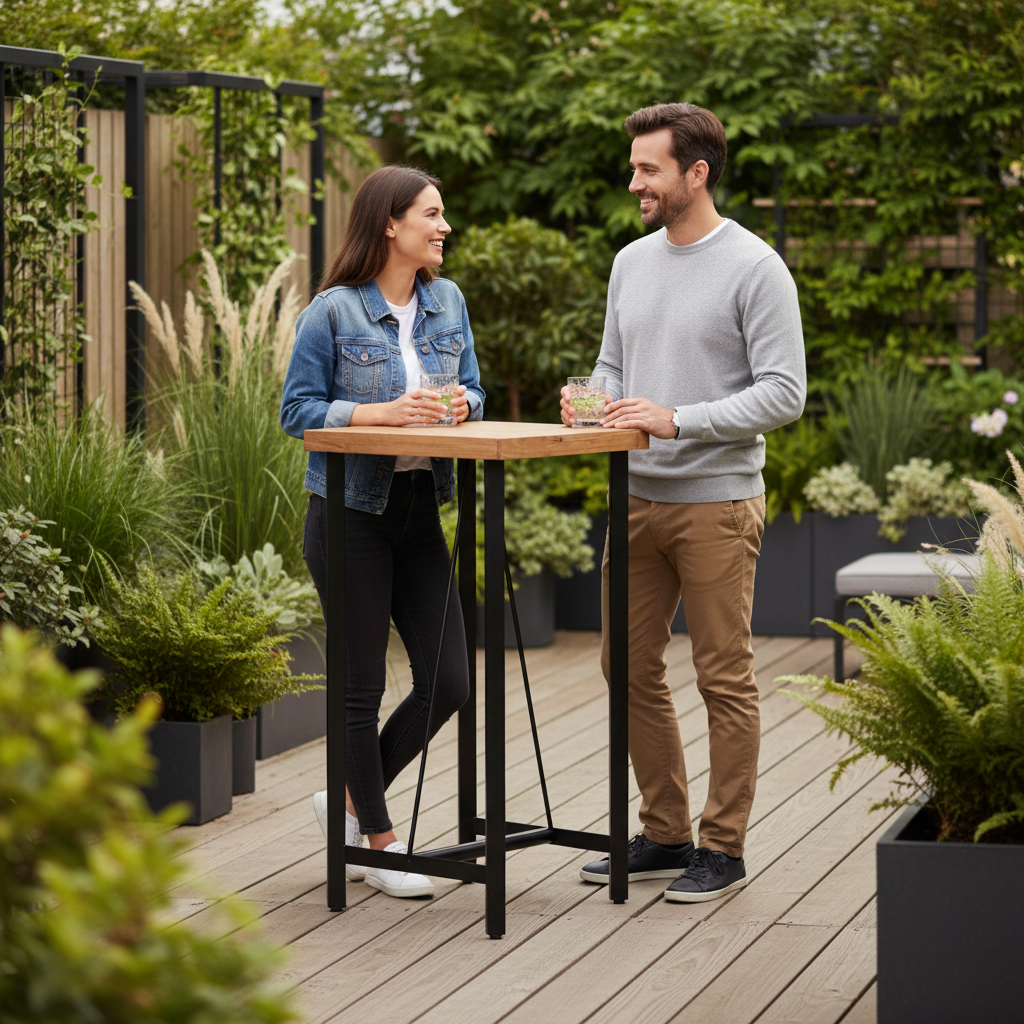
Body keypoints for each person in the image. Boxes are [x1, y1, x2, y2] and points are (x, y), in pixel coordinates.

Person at [566, 103, 806, 902]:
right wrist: (594, 399)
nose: (634, 181)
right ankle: (665, 833)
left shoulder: (755, 267)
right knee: (625, 665)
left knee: (722, 677)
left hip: (716, 504)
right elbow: (612, 361)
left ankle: (723, 847)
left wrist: (680, 419)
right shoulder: (630, 261)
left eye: (649, 168)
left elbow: (784, 393)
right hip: (634, 496)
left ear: (695, 173)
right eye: (634, 166)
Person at [281, 165, 485, 899]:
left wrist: (461, 406)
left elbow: (476, 388)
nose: (444, 226)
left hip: (419, 508)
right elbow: (297, 410)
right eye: (432, 214)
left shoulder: (447, 301)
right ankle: (378, 843)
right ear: (390, 224)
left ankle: (344, 804)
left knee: (450, 682)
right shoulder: (333, 313)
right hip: (349, 516)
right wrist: (378, 414)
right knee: (360, 688)